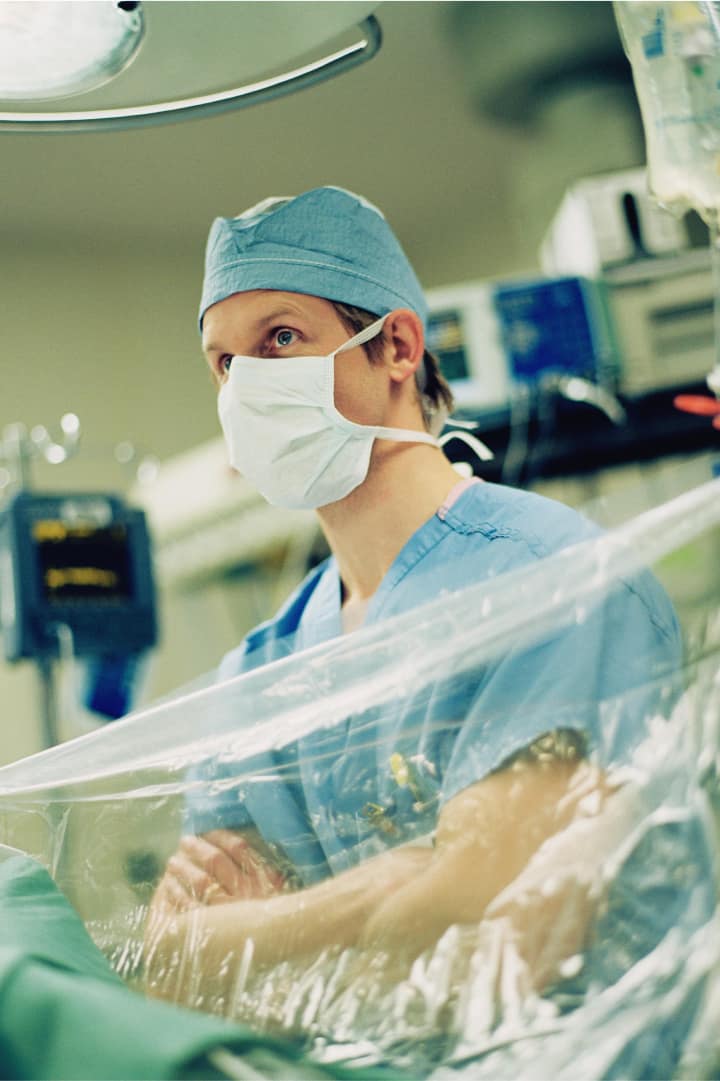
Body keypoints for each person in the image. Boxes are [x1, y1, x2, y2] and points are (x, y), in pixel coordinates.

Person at [145, 187, 686, 1020]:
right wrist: (386, 888)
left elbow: (479, 930)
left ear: (395, 346)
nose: (246, 385)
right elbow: (179, 969)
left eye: (280, 338)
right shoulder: (257, 677)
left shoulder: (555, 582)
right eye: (225, 363)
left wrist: (267, 925)